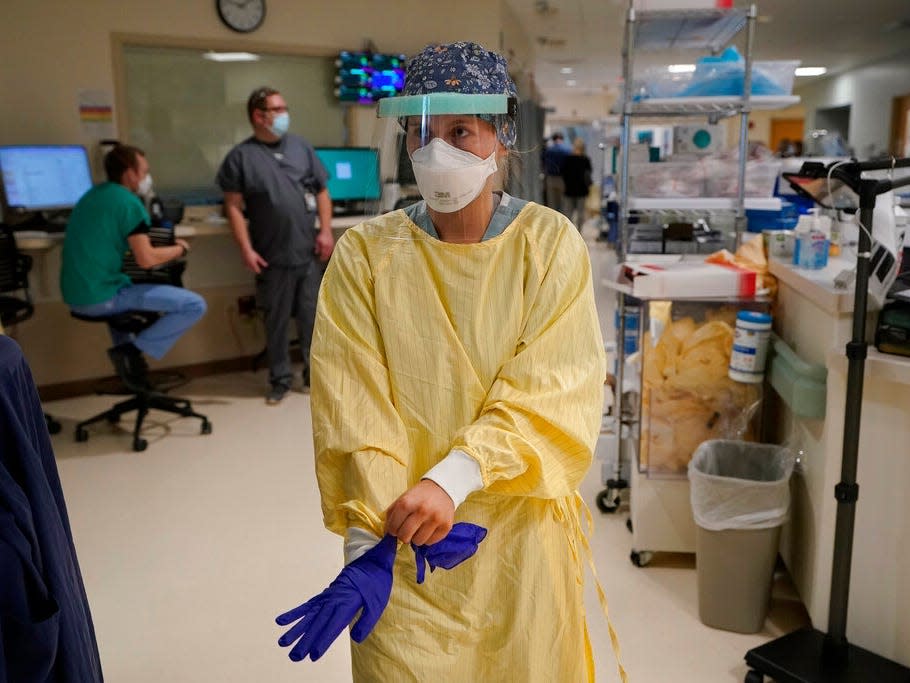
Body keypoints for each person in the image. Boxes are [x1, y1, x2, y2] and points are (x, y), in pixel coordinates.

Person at [278, 42, 622, 682]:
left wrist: (455, 479)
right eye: (421, 131)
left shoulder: (548, 245)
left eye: (460, 130)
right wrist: (367, 550)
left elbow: (552, 392)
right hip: (404, 537)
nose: (436, 150)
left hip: (515, 533)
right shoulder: (365, 256)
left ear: (502, 139)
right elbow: (353, 408)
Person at [216, 86, 335, 404]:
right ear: (259, 116)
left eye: (284, 108)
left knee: (313, 318)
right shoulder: (241, 158)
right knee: (276, 321)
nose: (284, 114)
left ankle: (314, 377)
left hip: (307, 251)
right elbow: (232, 206)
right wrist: (245, 248)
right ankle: (280, 379)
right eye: (278, 109)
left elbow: (322, 192)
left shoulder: (301, 148)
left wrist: (325, 231)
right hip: (271, 255)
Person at [60, 144, 206, 388]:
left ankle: (131, 377)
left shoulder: (91, 196)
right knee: (194, 304)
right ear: (130, 173)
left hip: (76, 295)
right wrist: (180, 248)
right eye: (145, 172)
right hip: (101, 296)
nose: (147, 178)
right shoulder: (128, 203)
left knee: (126, 301)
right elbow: (146, 259)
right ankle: (131, 352)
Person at [562, 137, 594, 230]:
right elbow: (588, 174)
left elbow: (563, 173)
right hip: (582, 190)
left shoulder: (568, 159)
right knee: (580, 213)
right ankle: (579, 232)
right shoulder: (585, 160)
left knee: (568, 213)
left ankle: (568, 232)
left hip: (569, 190)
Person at [541, 131, 571, 210]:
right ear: (562, 139)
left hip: (550, 178)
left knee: (552, 203)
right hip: (563, 179)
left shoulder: (548, 150)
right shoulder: (567, 150)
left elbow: (543, 162)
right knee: (563, 202)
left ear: (553, 139)